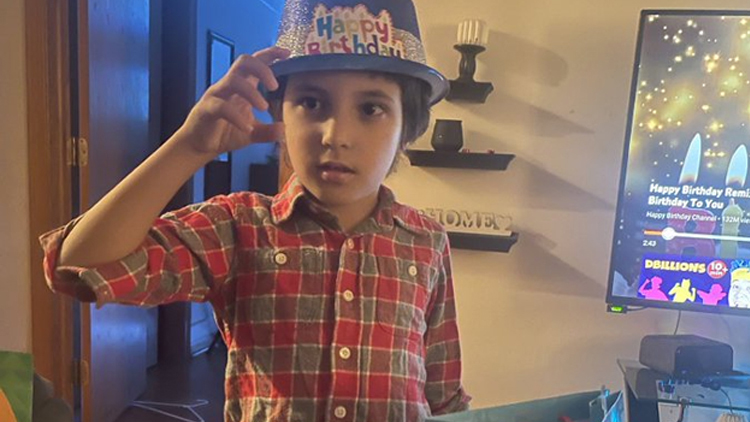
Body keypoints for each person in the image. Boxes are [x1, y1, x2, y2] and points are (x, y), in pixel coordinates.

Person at [40, 0, 471, 421]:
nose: (335, 135)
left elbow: (443, 393)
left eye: (371, 108)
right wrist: (188, 148)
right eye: (312, 103)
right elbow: (80, 261)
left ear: (407, 128)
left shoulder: (426, 241)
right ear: (279, 111)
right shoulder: (239, 227)